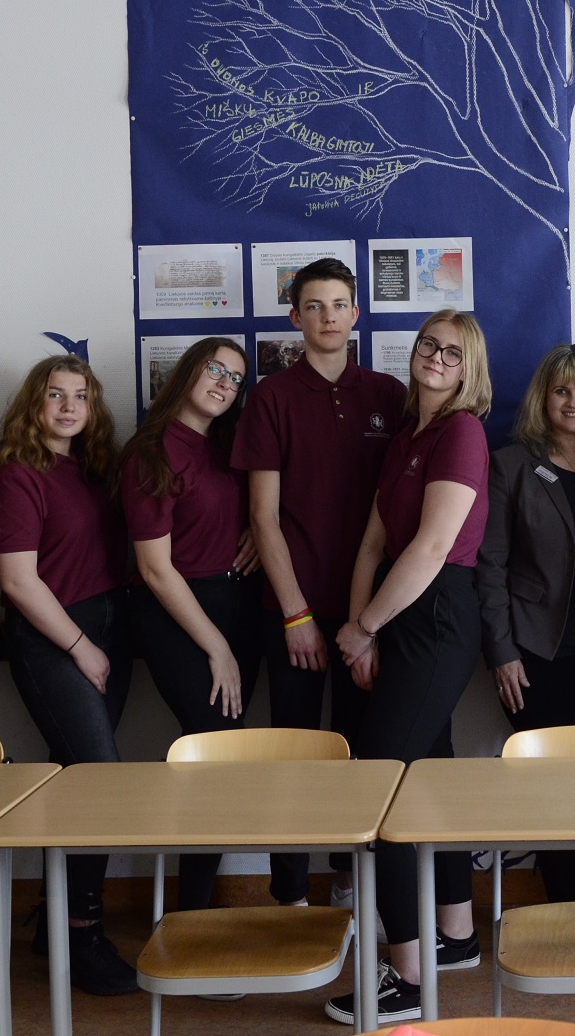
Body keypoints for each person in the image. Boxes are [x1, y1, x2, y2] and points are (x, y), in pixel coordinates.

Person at [325, 312, 493, 1027]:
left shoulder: (462, 432)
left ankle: (408, 978)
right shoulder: (407, 438)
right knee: (426, 777)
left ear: (468, 369)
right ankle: (454, 934)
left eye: (452, 352)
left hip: (437, 612)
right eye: (428, 344)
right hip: (398, 610)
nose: (436, 357)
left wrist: (364, 627)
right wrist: (361, 633)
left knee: (380, 791)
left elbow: (428, 551)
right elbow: (371, 544)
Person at [234, 258, 404, 909]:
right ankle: (290, 890)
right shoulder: (271, 398)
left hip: (369, 613)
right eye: (314, 305)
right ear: (294, 317)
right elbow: (262, 516)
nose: (327, 316)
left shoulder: (388, 395)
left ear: (356, 313)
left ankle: (347, 876)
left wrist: (367, 622)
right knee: (296, 751)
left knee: (361, 749)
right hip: (295, 609)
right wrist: (295, 614)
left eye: (338, 304)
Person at [0, 354, 137, 995]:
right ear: (33, 403)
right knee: (98, 780)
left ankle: (53, 915)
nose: (70, 407)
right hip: (55, 638)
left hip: (107, 627)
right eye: (56, 395)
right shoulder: (17, 477)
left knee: (74, 780)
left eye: (81, 396)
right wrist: (81, 648)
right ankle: (83, 933)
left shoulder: (94, 471)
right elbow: (18, 582)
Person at [475, 343, 575, 904]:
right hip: (543, 653)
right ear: (543, 398)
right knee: (560, 786)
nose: (573, 401)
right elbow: (490, 564)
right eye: (562, 390)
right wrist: (501, 652)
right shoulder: (512, 464)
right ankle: (566, 909)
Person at [121, 336, 262, 912]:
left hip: (238, 607)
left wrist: (257, 532)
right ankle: (189, 915)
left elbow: (246, 510)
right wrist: (217, 650)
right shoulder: (149, 453)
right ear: (187, 372)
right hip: (178, 615)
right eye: (215, 369)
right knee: (212, 759)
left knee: (221, 766)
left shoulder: (228, 448)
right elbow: (155, 570)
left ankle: (193, 909)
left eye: (235, 378)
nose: (225, 384)